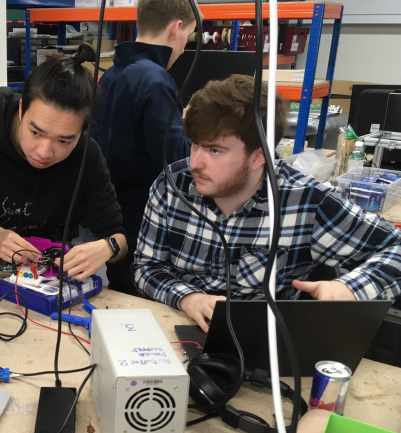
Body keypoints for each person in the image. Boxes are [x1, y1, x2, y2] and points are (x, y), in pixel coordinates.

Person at [135, 74, 401, 332]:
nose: (195, 163)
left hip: (263, 346)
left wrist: (350, 288)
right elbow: (146, 266)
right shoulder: (172, 184)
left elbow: (395, 246)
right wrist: (188, 298)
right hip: (179, 328)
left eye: (215, 150)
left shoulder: (306, 201)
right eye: (194, 145)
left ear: (258, 156)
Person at [0, 44, 127, 282]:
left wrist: (107, 248)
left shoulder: (87, 156)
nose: (45, 152)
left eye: (64, 140)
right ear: (21, 109)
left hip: (46, 275)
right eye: (36, 132)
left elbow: (118, 236)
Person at [92, 0, 197, 295]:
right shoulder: (156, 80)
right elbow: (178, 161)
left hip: (110, 214)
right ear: (177, 28)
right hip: (141, 219)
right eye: (188, 36)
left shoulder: (112, 73)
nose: (185, 47)